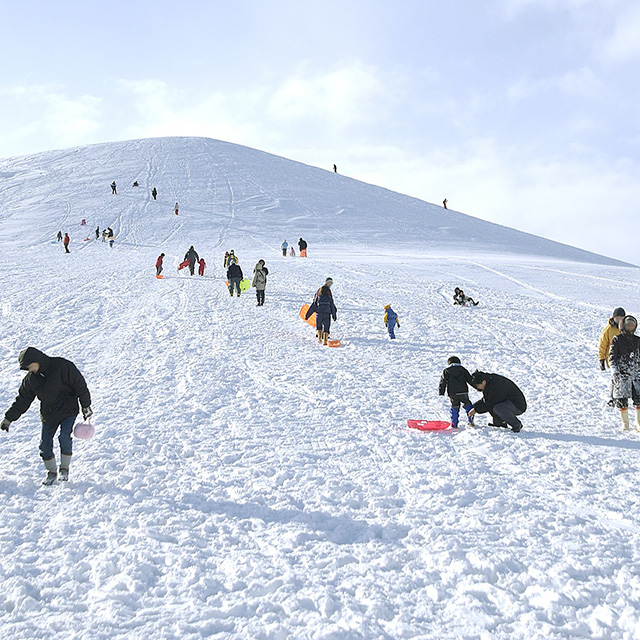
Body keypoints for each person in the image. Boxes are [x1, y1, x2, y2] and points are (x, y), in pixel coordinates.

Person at [1, 347, 92, 485]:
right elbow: (22, 400)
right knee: (44, 445)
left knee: (64, 436)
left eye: (30, 366)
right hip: (49, 415)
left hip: (68, 410)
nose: (30, 370)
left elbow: (80, 385)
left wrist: (86, 406)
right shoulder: (31, 380)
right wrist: (9, 418)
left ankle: (64, 469)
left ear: (37, 360)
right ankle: (51, 472)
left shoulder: (62, 366)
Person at [609, 315, 640, 431]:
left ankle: (638, 423)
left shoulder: (638, 340)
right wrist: (614, 371)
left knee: (639, 399)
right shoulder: (617, 339)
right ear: (623, 326)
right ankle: (625, 423)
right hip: (622, 375)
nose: (631, 327)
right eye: (628, 325)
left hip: (636, 375)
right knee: (622, 400)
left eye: (633, 325)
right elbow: (612, 357)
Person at [439, 356, 474, 428]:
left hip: (453, 393)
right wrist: (477, 387)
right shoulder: (463, 370)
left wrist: (441, 391)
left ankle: (454, 424)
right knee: (467, 404)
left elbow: (443, 382)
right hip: (463, 392)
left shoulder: (446, 371)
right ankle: (471, 420)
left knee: (455, 407)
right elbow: (470, 379)